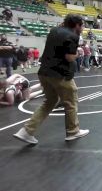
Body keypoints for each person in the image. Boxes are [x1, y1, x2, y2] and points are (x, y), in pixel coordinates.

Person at [13, 14, 89, 145]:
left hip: (44, 73)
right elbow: (69, 57)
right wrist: (78, 53)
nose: (83, 28)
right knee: (71, 102)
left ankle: (26, 131)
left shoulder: (54, 30)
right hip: (60, 74)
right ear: (76, 25)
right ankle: (73, 131)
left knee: (50, 101)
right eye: (82, 25)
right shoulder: (73, 36)